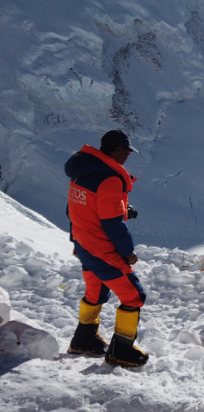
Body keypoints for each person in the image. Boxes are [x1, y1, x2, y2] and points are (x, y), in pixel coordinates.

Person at [65, 129, 148, 367]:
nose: (128, 156)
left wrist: (75, 241)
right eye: (127, 152)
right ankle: (122, 351)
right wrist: (126, 252)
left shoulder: (81, 173)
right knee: (134, 296)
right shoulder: (110, 179)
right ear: (118, 150)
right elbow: (112, 224)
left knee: (96, 291)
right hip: (102, 250)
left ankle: (84, 339)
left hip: (84, 245)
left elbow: (76, 209)